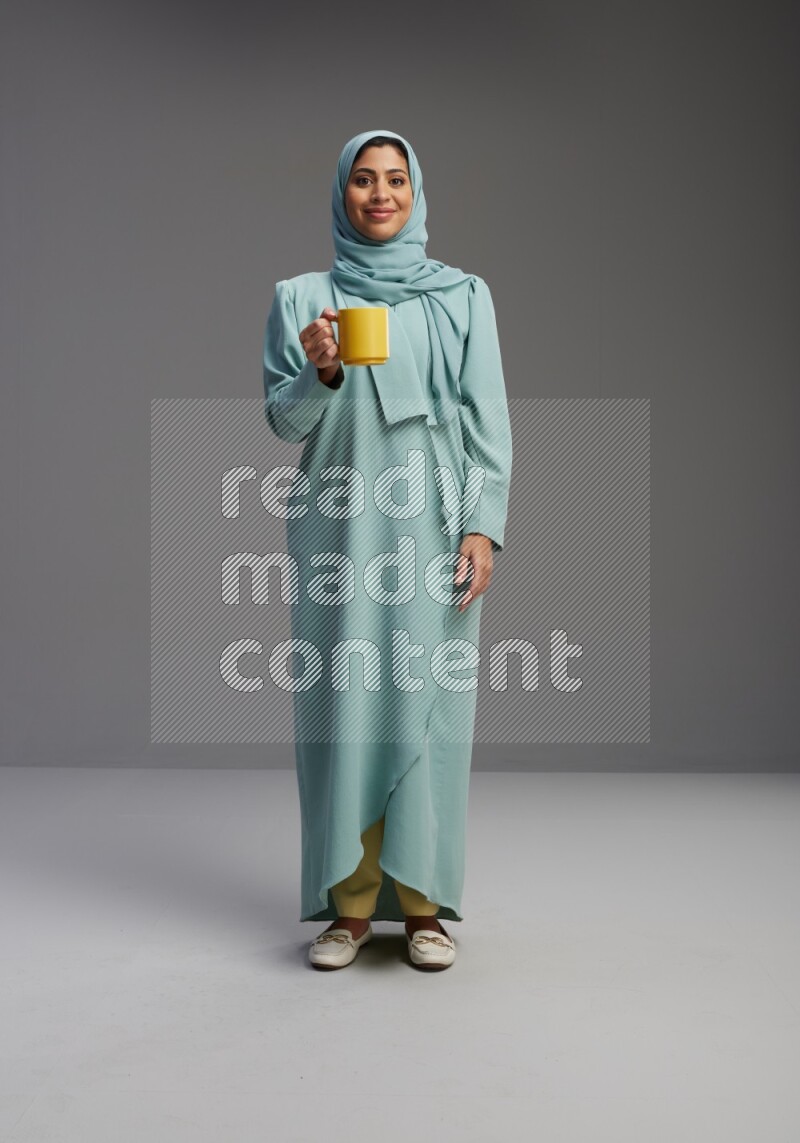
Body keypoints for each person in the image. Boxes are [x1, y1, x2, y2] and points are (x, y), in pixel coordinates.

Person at [262, 129, 512, 970]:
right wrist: (321, 372)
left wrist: (482, 527)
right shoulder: (303, 299)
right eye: (363, 180)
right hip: (339, 526)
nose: (379, 194)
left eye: (395, 180)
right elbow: (284, 422)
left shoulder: (464, 296)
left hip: (432, 526)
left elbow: (487, 425)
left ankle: (425, 907)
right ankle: (349, 908)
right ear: (341, 194)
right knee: (345, 711)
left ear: (415, 191)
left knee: (430, 712)